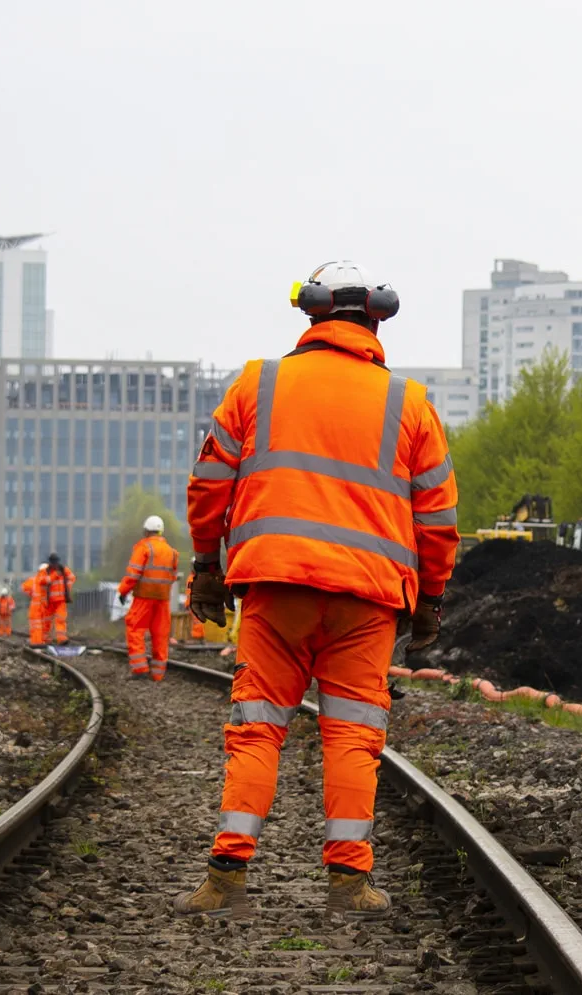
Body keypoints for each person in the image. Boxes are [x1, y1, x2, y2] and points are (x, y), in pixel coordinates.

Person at [173, 261, 459, 916]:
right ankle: (348, 884)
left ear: (312, 315)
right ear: (377, 321)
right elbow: (438, 519)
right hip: (368, 601)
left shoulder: (259, 382)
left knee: (257, 723)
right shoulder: (409, 403)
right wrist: (431, 600)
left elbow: (209, 479)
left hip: (277, 590)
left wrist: (206, 566)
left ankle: (226, 876)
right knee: (354, 731)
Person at [118, 515, 179, 680]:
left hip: (144, 597)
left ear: (146, 531)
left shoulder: (144, 548)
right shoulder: (172, 552)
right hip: (163, 598)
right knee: (161, 633)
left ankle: (140, 670)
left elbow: (133, 573)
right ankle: (158, 674)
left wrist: (123, 591)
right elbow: (173, 576)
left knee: (135, 628)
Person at [36, 553, 75, 644]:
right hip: (49, 601)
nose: (55, 564)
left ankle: (62, 639)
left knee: (60, 619)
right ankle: (45, 639)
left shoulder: (63, 569)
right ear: (50, 562)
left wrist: (67, 589)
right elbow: (41, 581)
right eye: (53, 562)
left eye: (56, 562)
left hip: (60, 600)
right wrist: (54, 576)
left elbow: (72, 577)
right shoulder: (45, 571)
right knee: (47, 621)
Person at [21, 571, 44, 645]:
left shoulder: (34, 580)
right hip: (46, 608)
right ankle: (40, 640)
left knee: (36, 625)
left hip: (36, 607)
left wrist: (30, 593)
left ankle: (36, 641)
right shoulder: (51, 580)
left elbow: (24, 587)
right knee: (43, 625)